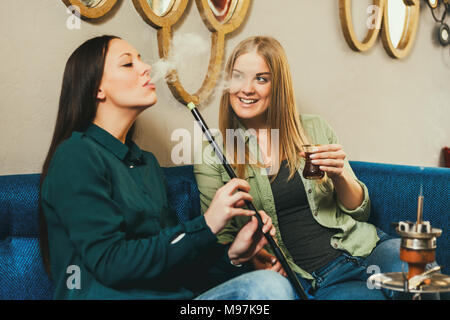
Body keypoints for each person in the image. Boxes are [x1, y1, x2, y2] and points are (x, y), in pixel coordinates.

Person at [38, 35, 296, 300]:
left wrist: (234, 256)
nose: (146, 67)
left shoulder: (146, 164)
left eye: (141, 60)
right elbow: (110, 263)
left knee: (267, 285)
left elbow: (178, 266)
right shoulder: (76, 156)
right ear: (97, 89)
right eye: (128, 64)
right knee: (270, 288)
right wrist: (206, 225)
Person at [194, 36, 438, 300]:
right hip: (315, 280)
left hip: (365, 248)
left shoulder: (314, 128)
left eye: (261, 79)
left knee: (422, 271)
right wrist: (255, 259)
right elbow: (219, 242)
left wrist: (341, 174)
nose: (247, 89)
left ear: (278, 86)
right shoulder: (214, 155)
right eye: (239, 77)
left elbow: (362, 212)